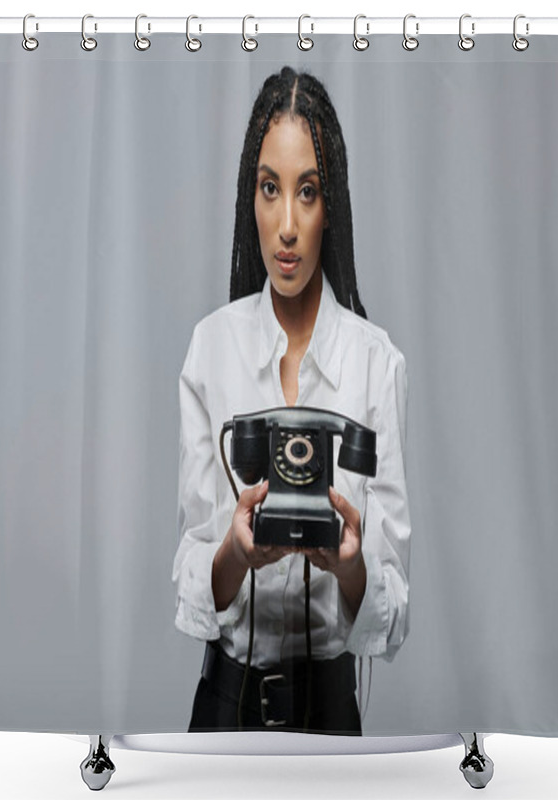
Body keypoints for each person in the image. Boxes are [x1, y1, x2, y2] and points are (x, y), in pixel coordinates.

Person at [172, 67, 411, 735]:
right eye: (269, 189)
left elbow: (392, 619)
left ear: (330, 204)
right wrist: (236, 554)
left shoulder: (376, 363)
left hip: (330, 706)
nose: (285, 226)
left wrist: (352, 564)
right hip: (225, 703)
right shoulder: (210, 348)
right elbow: (192, 582)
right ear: (249, 197)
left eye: (307, 193)